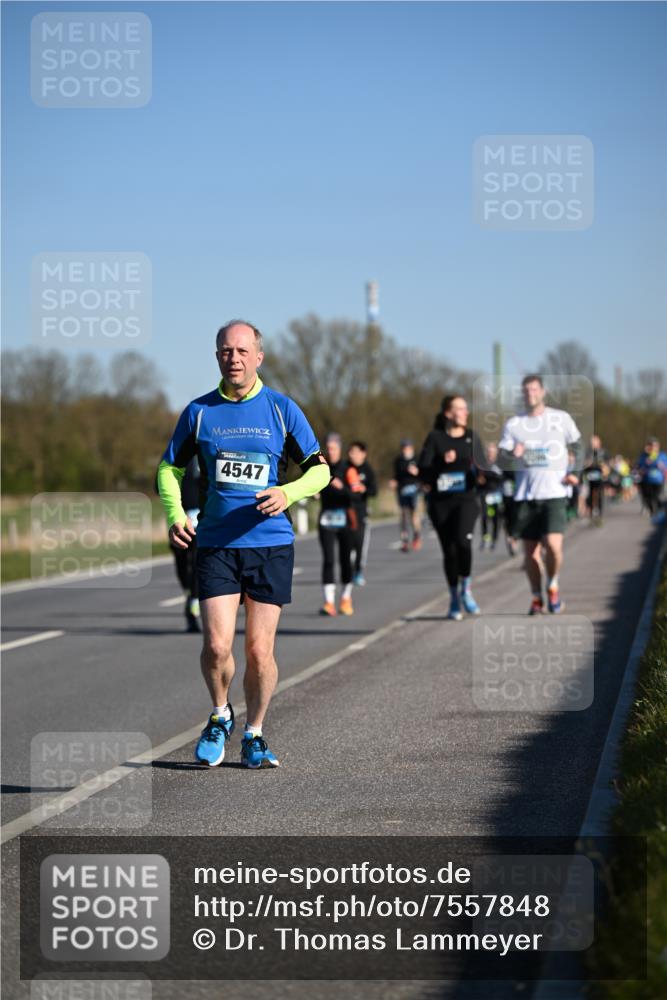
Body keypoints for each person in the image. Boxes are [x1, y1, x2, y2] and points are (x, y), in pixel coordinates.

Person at [157, 320, 330, 769]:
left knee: (258, 651)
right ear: (217, 357)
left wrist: (288, 492)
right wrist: (177, 515)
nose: (233, 358)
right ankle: (219, 714)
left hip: (270, 544)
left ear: (258, 356)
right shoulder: (200, 412)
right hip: (216, 543)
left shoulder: (281, 409)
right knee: (217, 646)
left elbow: (320, 469)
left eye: (241, 350)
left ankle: (254, 732)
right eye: (224, 351)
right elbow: (168, 470)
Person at [498, 374, 582, 615]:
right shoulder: (514, 424)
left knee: (553, 547)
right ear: (522, 394)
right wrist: (513, 453)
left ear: (543, 392)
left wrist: (575, 472)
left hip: (555, 491)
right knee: (531, 555)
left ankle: (553, 586)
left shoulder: (560, 418)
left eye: (534, 389)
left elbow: (578, 445)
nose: (530, 394)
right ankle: (536, 597)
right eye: (526, 390)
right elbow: (501, 458)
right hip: (526, 495)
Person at [418, 394, 483, 621]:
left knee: (463, 543)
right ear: (448, 413)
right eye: (460, 408)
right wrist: (440, 462)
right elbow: (423, 470)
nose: (465, 412)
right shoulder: (435, 438)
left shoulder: (472, 438)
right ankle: (454, 597)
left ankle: (466, 589)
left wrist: (485, 473)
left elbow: (485, 469)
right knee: (450, 551)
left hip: (466, 500)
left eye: (466, 408)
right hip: (441, 503)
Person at [318, 433, 355, 616]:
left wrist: (344, 488)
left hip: (345, 519)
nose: (330, 452)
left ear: (340, 448)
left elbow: (358, 495)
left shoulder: (348, 468)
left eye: (333, 448)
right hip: (326, 517)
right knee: (328, 559)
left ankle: (346, 598)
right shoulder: (320, 467)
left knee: (345, 560)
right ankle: (329, 602)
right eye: (328, 448)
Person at [169, 456, 202, 632]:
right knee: (181, 564)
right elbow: (159, 486)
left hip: (201, 520)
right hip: (179, 520)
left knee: (198, 563)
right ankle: (189, 592)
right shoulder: (174, 456)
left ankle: (194, 602)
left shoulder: (209, 452)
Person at [346, 440, 377, 585]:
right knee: (347, 544)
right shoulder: (344, 468)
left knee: (359, 544)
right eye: (351, 452)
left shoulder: (367, 470)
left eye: (356, 452)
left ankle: (358, 571)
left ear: (363, 454)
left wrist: (364, 489)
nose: (353, 455)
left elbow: (374, 491)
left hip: (361, 512)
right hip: (345, 512)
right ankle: (348, 570)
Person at [389, 439, 422, 552]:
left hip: (414, 489)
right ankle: (404, 540)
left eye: (407, 448)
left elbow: (423, 474)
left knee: (413, 514)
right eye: (403, 448)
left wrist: (417, 472)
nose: (405, 450)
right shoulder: (398, 461)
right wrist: (393, 481)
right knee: (403, 515)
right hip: (402, 490)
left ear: (411, 448)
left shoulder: (417, 459)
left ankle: (416, 535)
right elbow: (396, 475)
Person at [477, 442, 504, 550]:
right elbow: (477, 477)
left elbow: (504, 477)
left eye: (492, 452)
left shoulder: (499, 464)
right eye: (488, 452)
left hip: (496, 493)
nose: (490, 454)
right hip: (484, 493)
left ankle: (494, 538)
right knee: (484, 516)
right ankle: (485, 537)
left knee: (495, 517)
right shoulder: (482, 464)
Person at [634, 437, 667, 516]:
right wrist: (644, 466)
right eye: (651, 445)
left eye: (655, 446)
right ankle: (653, 512)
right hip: (647, 481)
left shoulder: (662, 455)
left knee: (658, 497)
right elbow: (638, 467)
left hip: (659, 480)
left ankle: (659, 512)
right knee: (648, 498)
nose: (653, 448)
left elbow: (665, 467)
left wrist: (661, 466)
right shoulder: (644, 456)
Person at [582, 434, 609, 525]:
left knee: (599, 495)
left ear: (599, 442)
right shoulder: (587, 452)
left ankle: (600, 514)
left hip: (600, 478)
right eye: (592, 442)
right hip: (589, 477)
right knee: (589, 497)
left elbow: (607, 465)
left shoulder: (603, 452)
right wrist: (587, 463)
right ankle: (591, 513)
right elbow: (584, 464)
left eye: (595, 442)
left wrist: (604, 467)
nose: (593, 444)